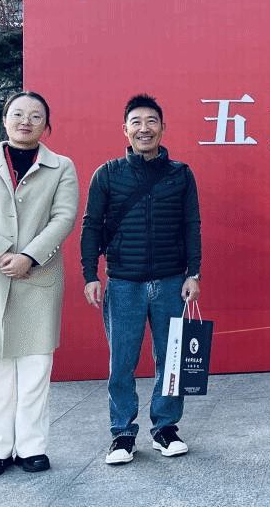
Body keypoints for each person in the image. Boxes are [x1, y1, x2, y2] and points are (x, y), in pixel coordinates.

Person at [0, 91, 79, 478]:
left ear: (47, 125)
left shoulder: (61, 167)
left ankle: (31, 447)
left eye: (36, 116)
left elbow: (64, 217)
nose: (26, 121)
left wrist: (29, 257)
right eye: (18, 114)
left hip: (37, 276)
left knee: (36, 368)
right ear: (4, 120)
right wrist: (1, 252)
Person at [80, 94, 201, 465]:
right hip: (123, 283)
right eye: (136, 122)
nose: (144, 128)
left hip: (171, 281)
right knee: (122, 362)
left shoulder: (181, 174)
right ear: (125, 130)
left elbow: (191, 225)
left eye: (151, 121)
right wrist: (90, 274)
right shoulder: (107, 174)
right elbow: (91, 226)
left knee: (172, 359)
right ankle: (122, 434)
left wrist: (193, 273)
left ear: (163, 128)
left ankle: (166, 428)